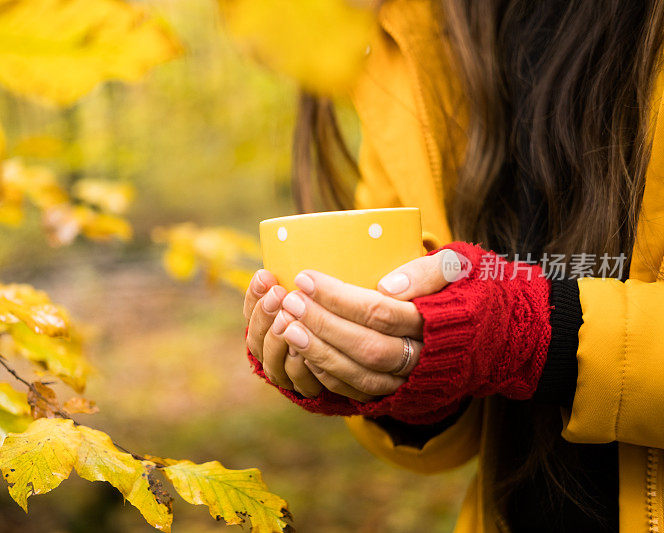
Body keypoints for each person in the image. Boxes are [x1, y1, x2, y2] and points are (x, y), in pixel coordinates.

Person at [243, 1, 664, 532]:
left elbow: (504, 330)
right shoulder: (412, 28)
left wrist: (532, 334)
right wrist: (385, 366)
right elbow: (452, 442)